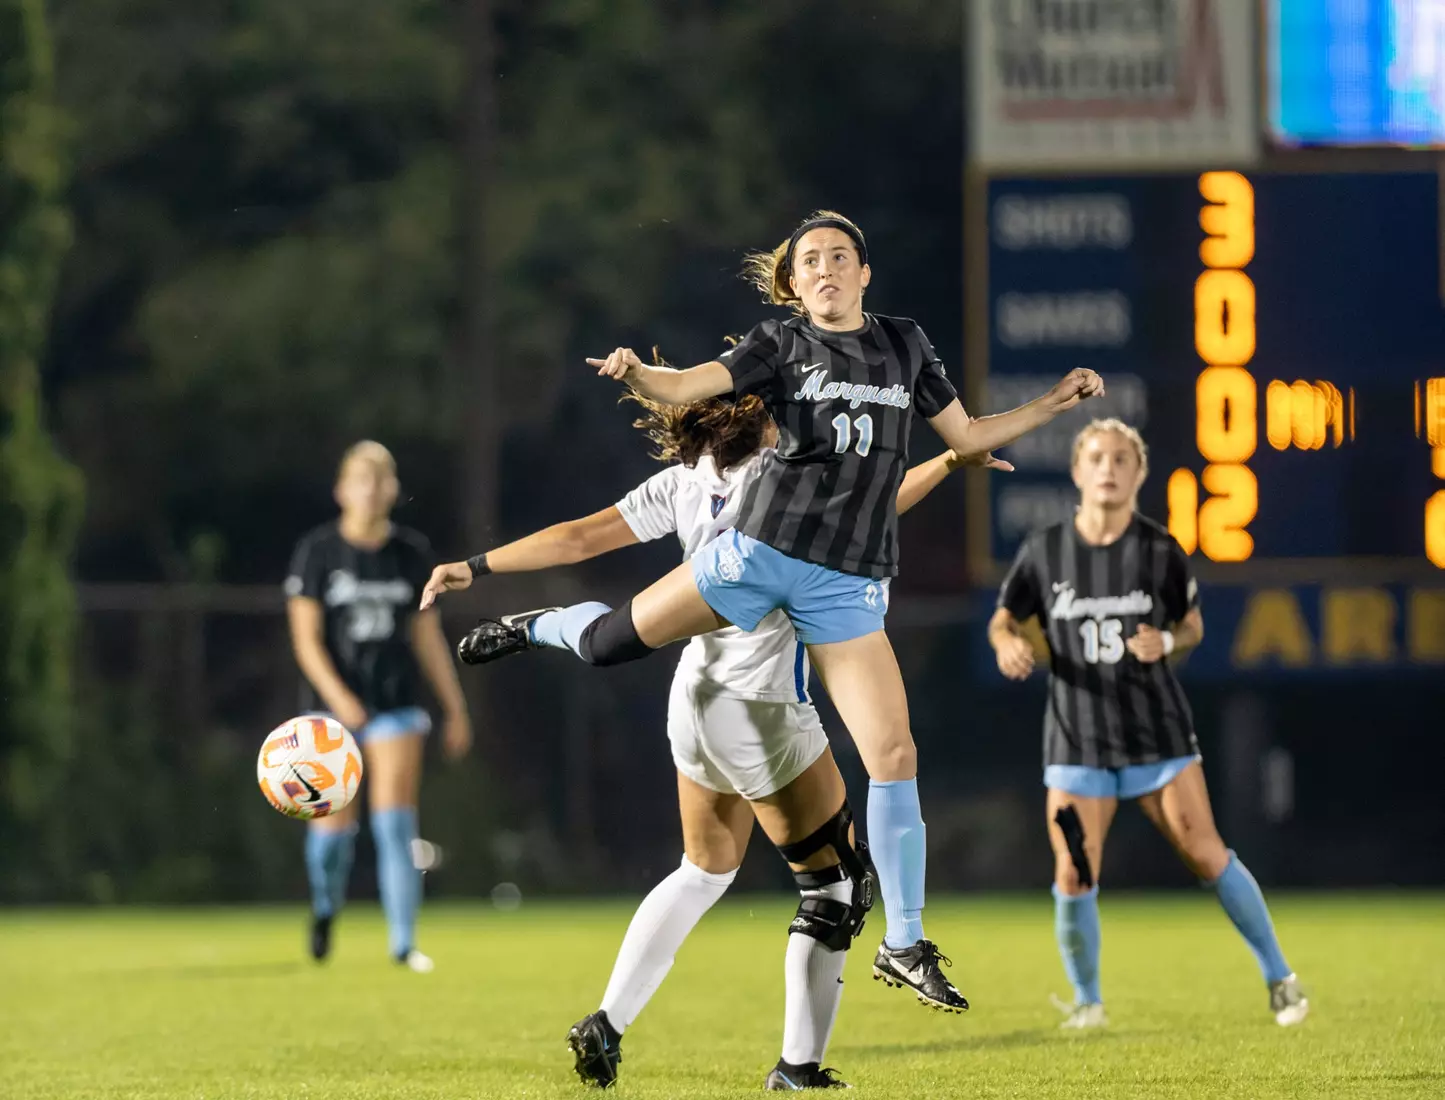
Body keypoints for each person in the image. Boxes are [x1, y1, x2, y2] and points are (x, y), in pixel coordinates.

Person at [424, 211, 1104, 1011]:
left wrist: (1054, 403)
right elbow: (686, 386)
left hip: (844, 581)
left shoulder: (905, 344)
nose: (824, 269)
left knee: (892, 752)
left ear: (863, 274)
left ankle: (904, 940)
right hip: (757, 555)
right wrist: (639, 374)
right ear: (793, 283)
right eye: (809, 260)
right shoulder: (778, 345)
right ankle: (537, 626)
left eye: (839, 257)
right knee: (610, 643)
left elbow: (965, 432)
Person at [423, 387, 980, 1088]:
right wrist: (952, 460)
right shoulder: (787, 478)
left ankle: (606, 1020)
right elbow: (877, 509)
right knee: (834, 887)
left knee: (705, 870)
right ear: (766, 417)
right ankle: (797, 1069)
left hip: (692, 700)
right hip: (761, 707)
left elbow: (579, 536)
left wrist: (477, 566)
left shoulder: (687, 479)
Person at [987, 418, 1309, 1029]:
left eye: (1120, 459)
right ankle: (1088, 1003)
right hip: (1077, 736)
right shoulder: (1046, 549)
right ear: (1078, 471)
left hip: (1156, 734)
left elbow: (1193, 625)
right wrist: (1007, 643)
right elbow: (1003, 620)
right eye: (1097, 458)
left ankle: (1280, 978)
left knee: (1208, 854)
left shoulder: (1159, 548)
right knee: (1074, 872)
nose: (1108, 468)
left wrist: (1168, 639)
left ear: (1138, 473)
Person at [285, 440, 472, 972]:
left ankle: (403, 944)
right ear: (342, 490)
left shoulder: (410, 554)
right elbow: (306, 641)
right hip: (331, 715)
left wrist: (455, 707)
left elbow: (427, 637)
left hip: (395, 706)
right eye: (360, 480)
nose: (371, 490)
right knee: (332, 833)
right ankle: (325, 907)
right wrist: (341, 700)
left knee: (394, 824)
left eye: (380, 480)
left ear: (391, 490)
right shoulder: (317, 552)